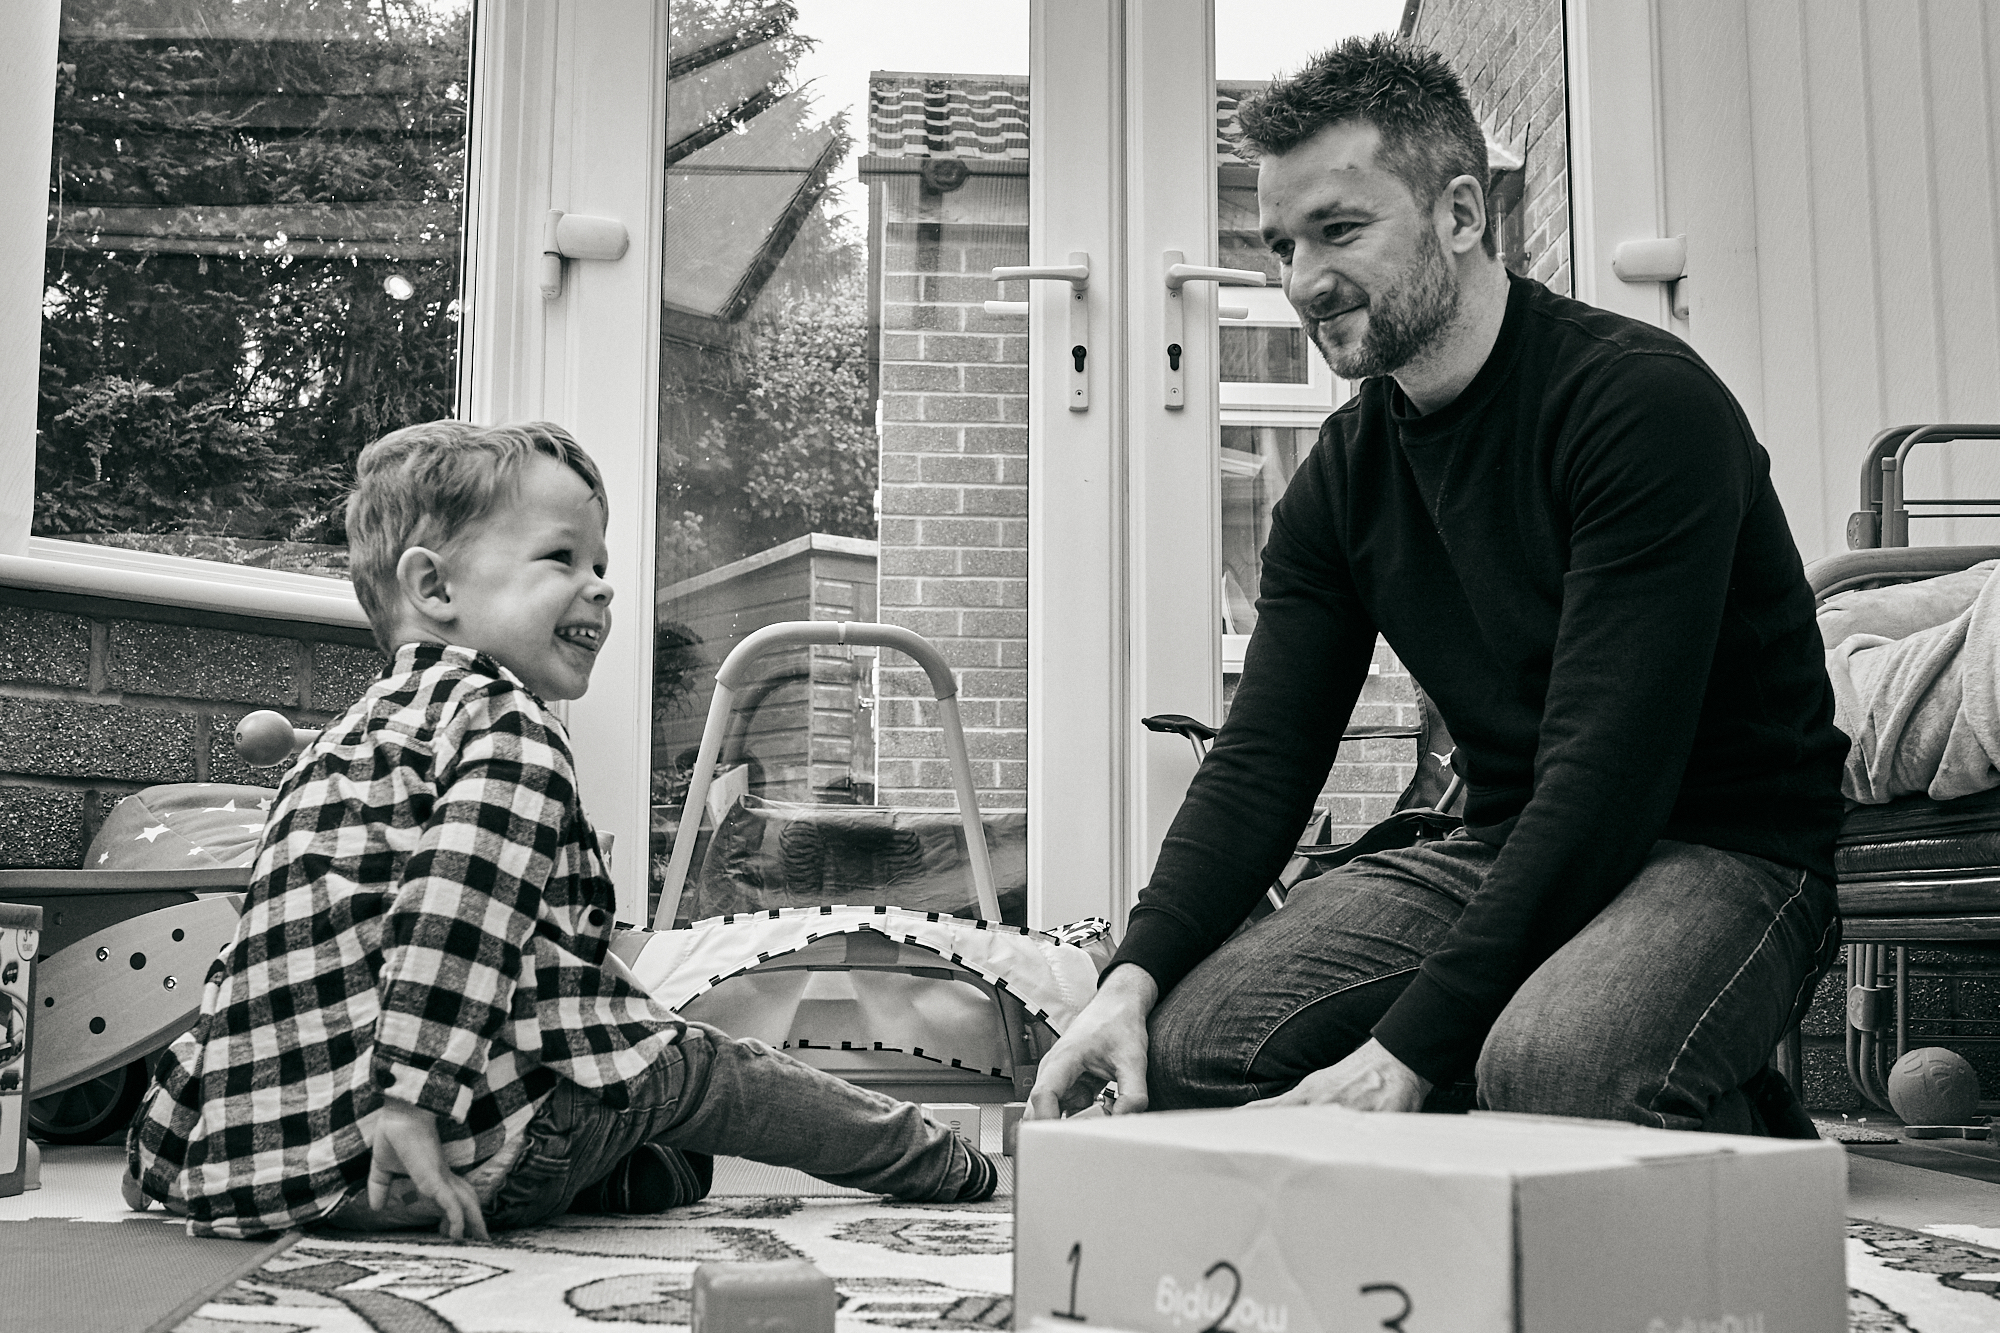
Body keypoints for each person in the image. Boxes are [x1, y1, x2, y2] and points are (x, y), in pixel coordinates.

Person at [1029, 36, 1847, 1135]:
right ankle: (1613, 1079)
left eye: (1338, 229)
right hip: (1510, 843)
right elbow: (1262, 761)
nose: (1301, 280)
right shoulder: (1337, 482)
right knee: (1188, 1048)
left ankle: (1706, 1115)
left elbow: (1606, 774)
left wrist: (1408, 1052)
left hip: (1723, 852)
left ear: (1460, 214)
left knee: (1550, 1072)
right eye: (1279, 244)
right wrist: (1126, 981)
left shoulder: (1640, 408)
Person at [127, 421, 997, 1239]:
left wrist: (175, 1137)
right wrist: (409, 1102)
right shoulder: (504, 720)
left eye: (601, 562)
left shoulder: (325, 755)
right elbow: (454, 917)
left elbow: (247, 968)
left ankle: (627, 1176)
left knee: (641, 1119)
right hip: (455, 1136)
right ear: (435, 587)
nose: (603, 584)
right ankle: (950, 1164)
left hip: (292, 1177)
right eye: (561, 558)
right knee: (694, 1063)